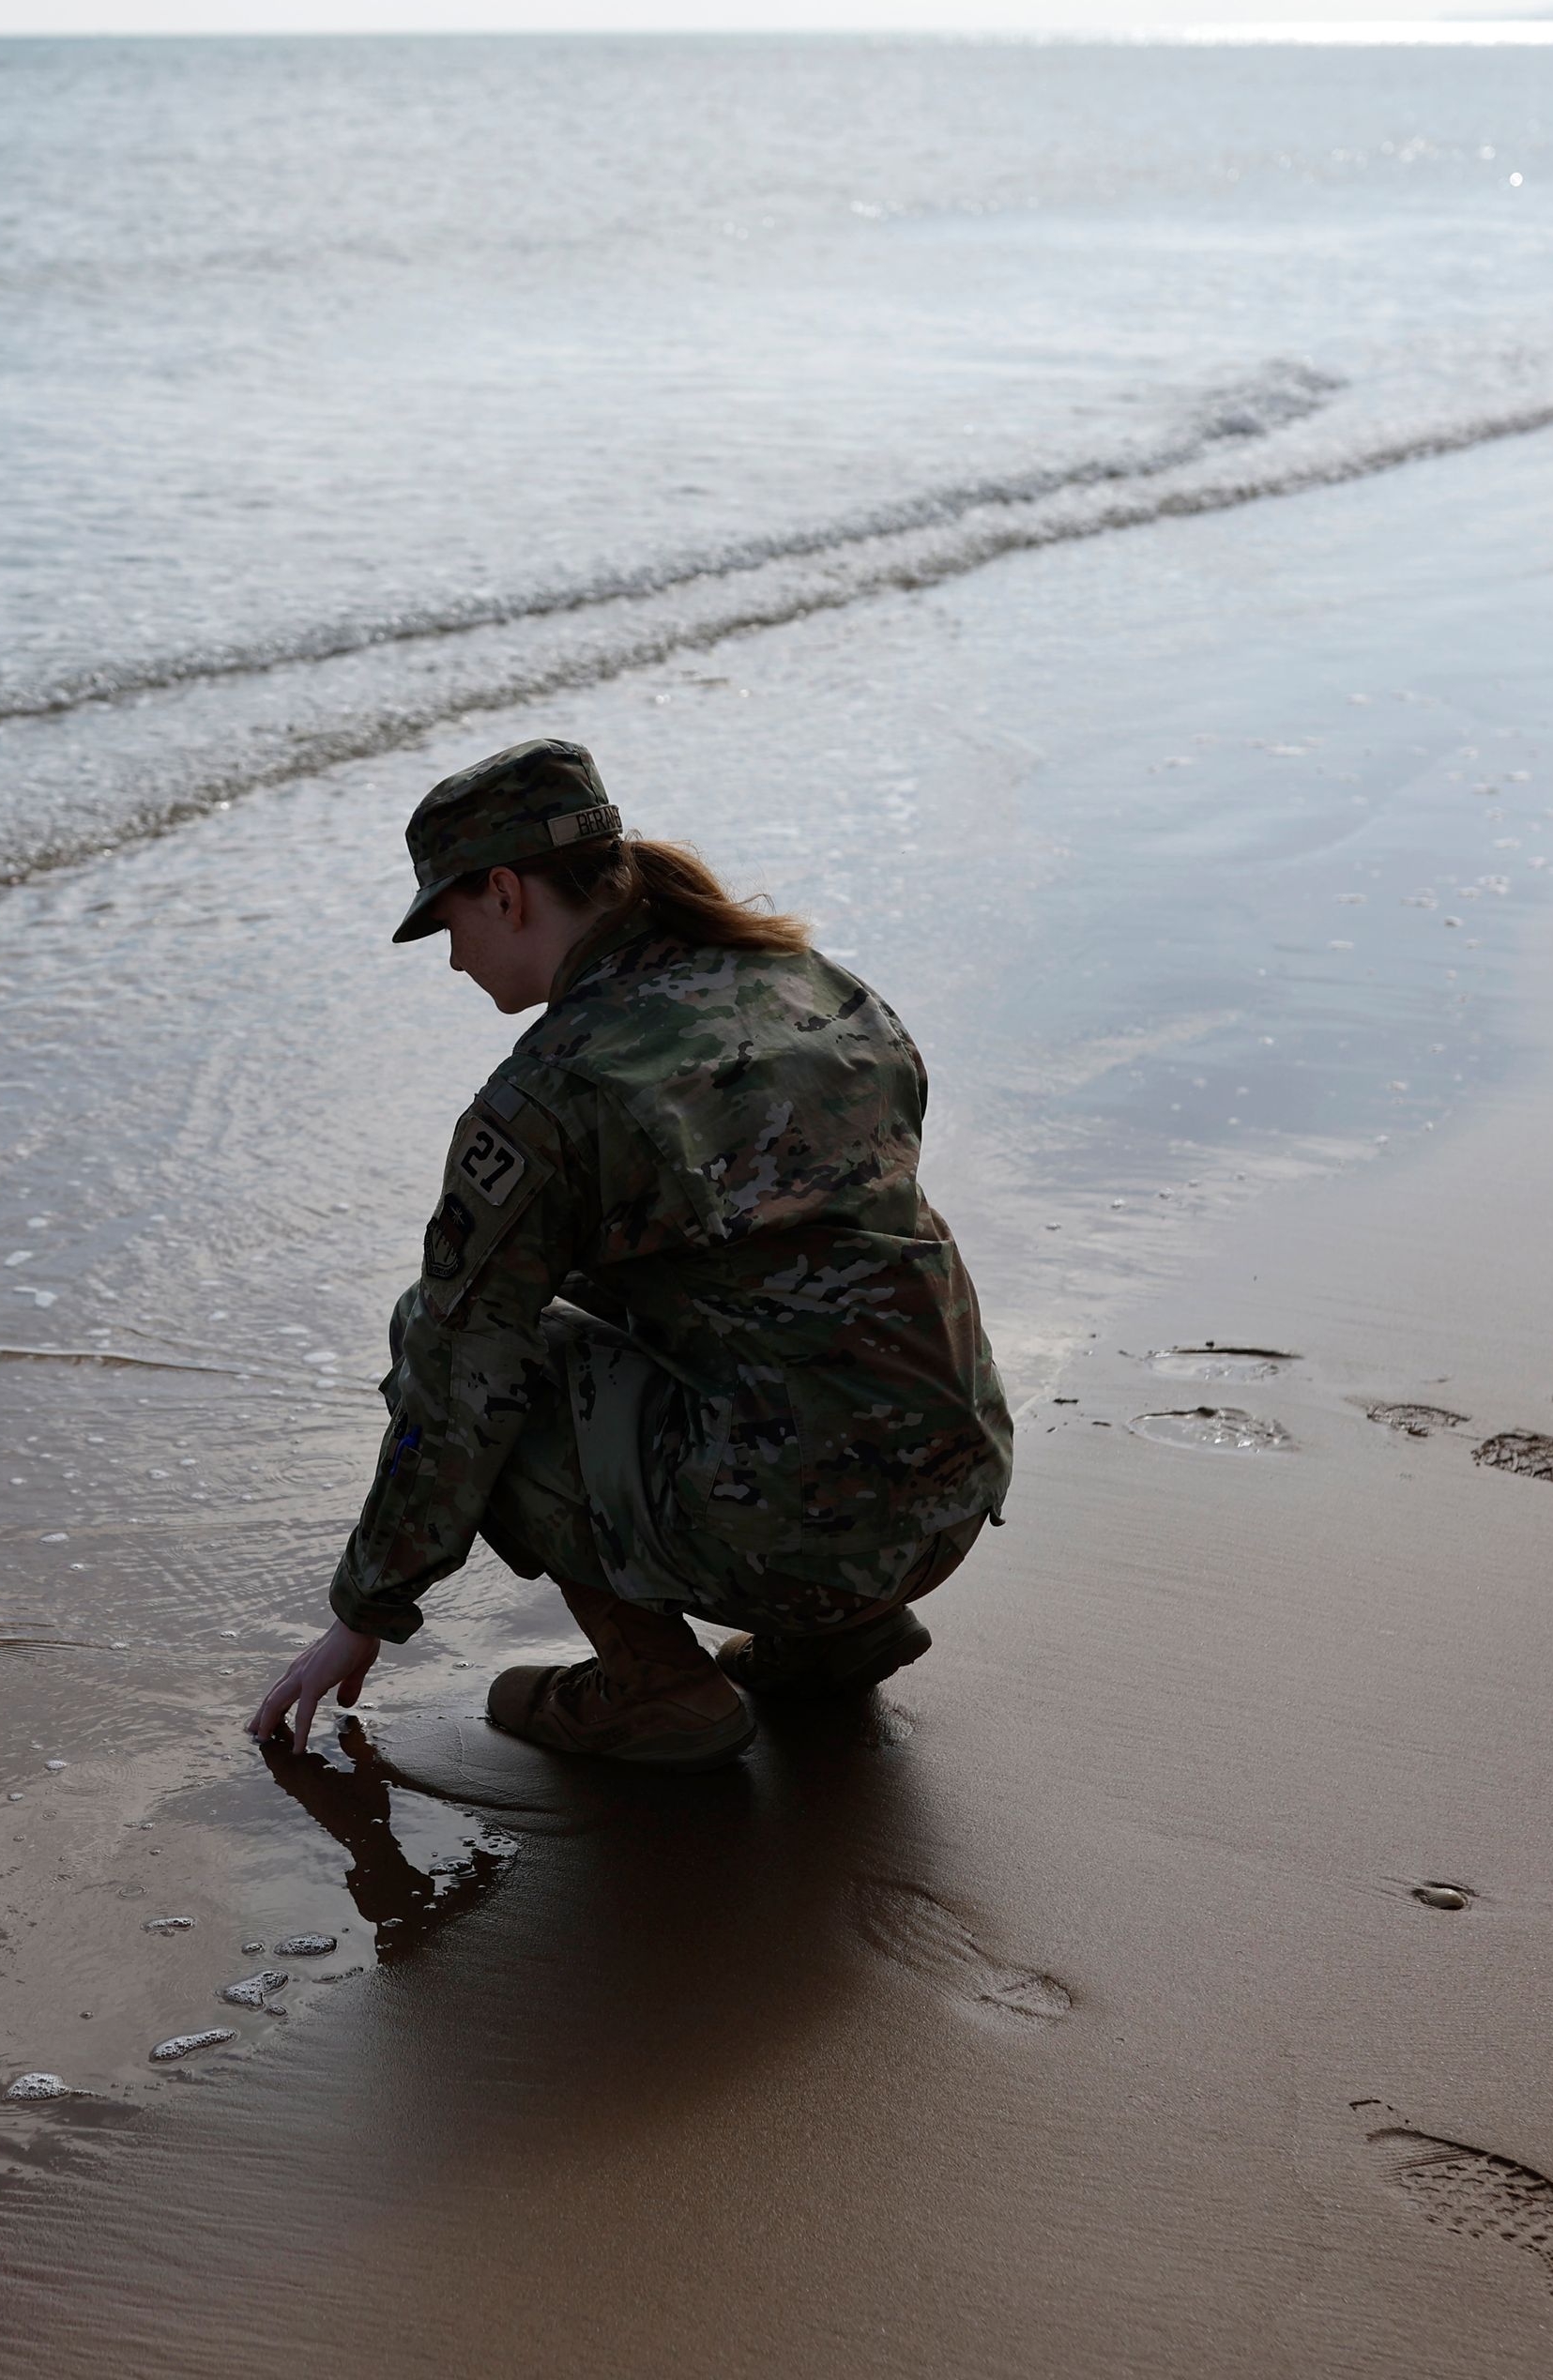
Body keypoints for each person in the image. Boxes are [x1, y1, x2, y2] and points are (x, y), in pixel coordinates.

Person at [247, 737, 1013, 1768]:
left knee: (458, 1338)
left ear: (507, 893)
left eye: (449, 919)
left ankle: (659, 1688)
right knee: (715, 1300)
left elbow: (457, 1373)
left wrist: (366, 1607)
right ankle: (844, 1632)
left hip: (801, 1533)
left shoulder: (555, 1091)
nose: (451, 954)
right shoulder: (808, 983)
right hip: (951, 1489)